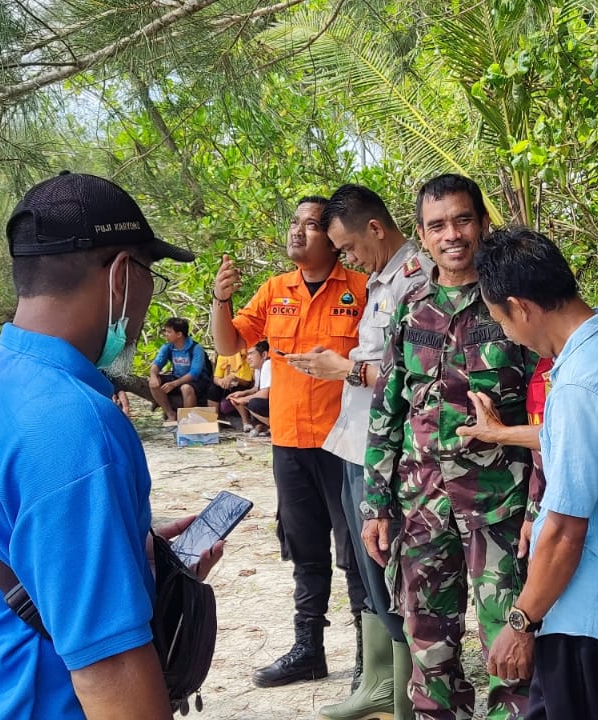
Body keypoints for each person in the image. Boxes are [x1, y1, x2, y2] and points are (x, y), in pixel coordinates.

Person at [0, 171, 221, 720]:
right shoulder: (77, 424)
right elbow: (112, 672)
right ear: (122, 275)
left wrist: (131, 556)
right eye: (150, 273)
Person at [363, 173, 540, 720]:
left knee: (509, 657)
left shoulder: (515, 304)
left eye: (463, 220)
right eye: (437, 225)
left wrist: (539, 505)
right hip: (421, 509)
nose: (452, 235)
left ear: (483, 224)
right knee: (428, 653)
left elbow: (546, 413)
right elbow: (388, 410)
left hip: (500, 508)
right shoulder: (412, 308)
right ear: (421, 233)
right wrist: (377, 504)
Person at [475, 227, 598, 720]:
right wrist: (503, 433)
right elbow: (589, 446)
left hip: (586, 616)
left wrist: (520, 621)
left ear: (520, 306)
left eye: (501, 321)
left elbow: (563, 531)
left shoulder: (583, 383)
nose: (508, 334)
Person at [211, 197, 370, 688]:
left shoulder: (362, 289)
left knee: (358, 552)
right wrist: (220, 300)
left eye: (311, 225)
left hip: (344, 446)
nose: (298, 232)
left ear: (334, 237)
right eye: (294, 223)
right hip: (289, 442)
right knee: (304, 549)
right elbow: (228, 345)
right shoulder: (275, 290)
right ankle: (309, 649)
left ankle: (371, 657)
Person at [284, 184, 429, 720]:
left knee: (387, 565)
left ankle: (408, 694)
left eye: (347, 248)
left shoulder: (419, 278)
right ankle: (380, 684)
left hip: (386, 449)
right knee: (366, 567)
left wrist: (344, 368)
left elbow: (419, 373)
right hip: (354, 440)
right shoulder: (380, 280)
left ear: (375, 227)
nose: (346, 258)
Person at [148, 317, 212, 426]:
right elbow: (156, 364)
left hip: (198, 381)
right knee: (153, 383)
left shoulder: (196, 348)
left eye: (169, 332)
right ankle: (170, 414)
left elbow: (194, 373)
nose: (166, 334)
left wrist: (174, 384)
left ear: (179, 334)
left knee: (186, 388)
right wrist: (153, 376)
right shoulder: (168, 347)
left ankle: (187, 420)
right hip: (177, 377)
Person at [229, 342, 273, 435]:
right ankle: (263, 426)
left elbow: (265, 393)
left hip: (280, 402)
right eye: (247, 354)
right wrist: (242, 393)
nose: (248, 358)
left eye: (251, 353)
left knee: (253, 403)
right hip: (272, 401)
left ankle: (274, 426)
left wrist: (243, 399)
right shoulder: (258, 368)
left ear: (264, 354)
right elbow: (256, 388)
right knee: (248, 399)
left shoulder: (268, 364)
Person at [206, 348, 255, 412]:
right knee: (213, 389)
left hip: (241, 385)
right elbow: (216, 378)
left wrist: (234, 378)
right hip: (225, 385)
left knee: (237, 392)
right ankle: (213, 418)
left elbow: (247, 382)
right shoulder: (223, 354)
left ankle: (245, 420)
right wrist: (220, 382)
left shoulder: (247, 356)